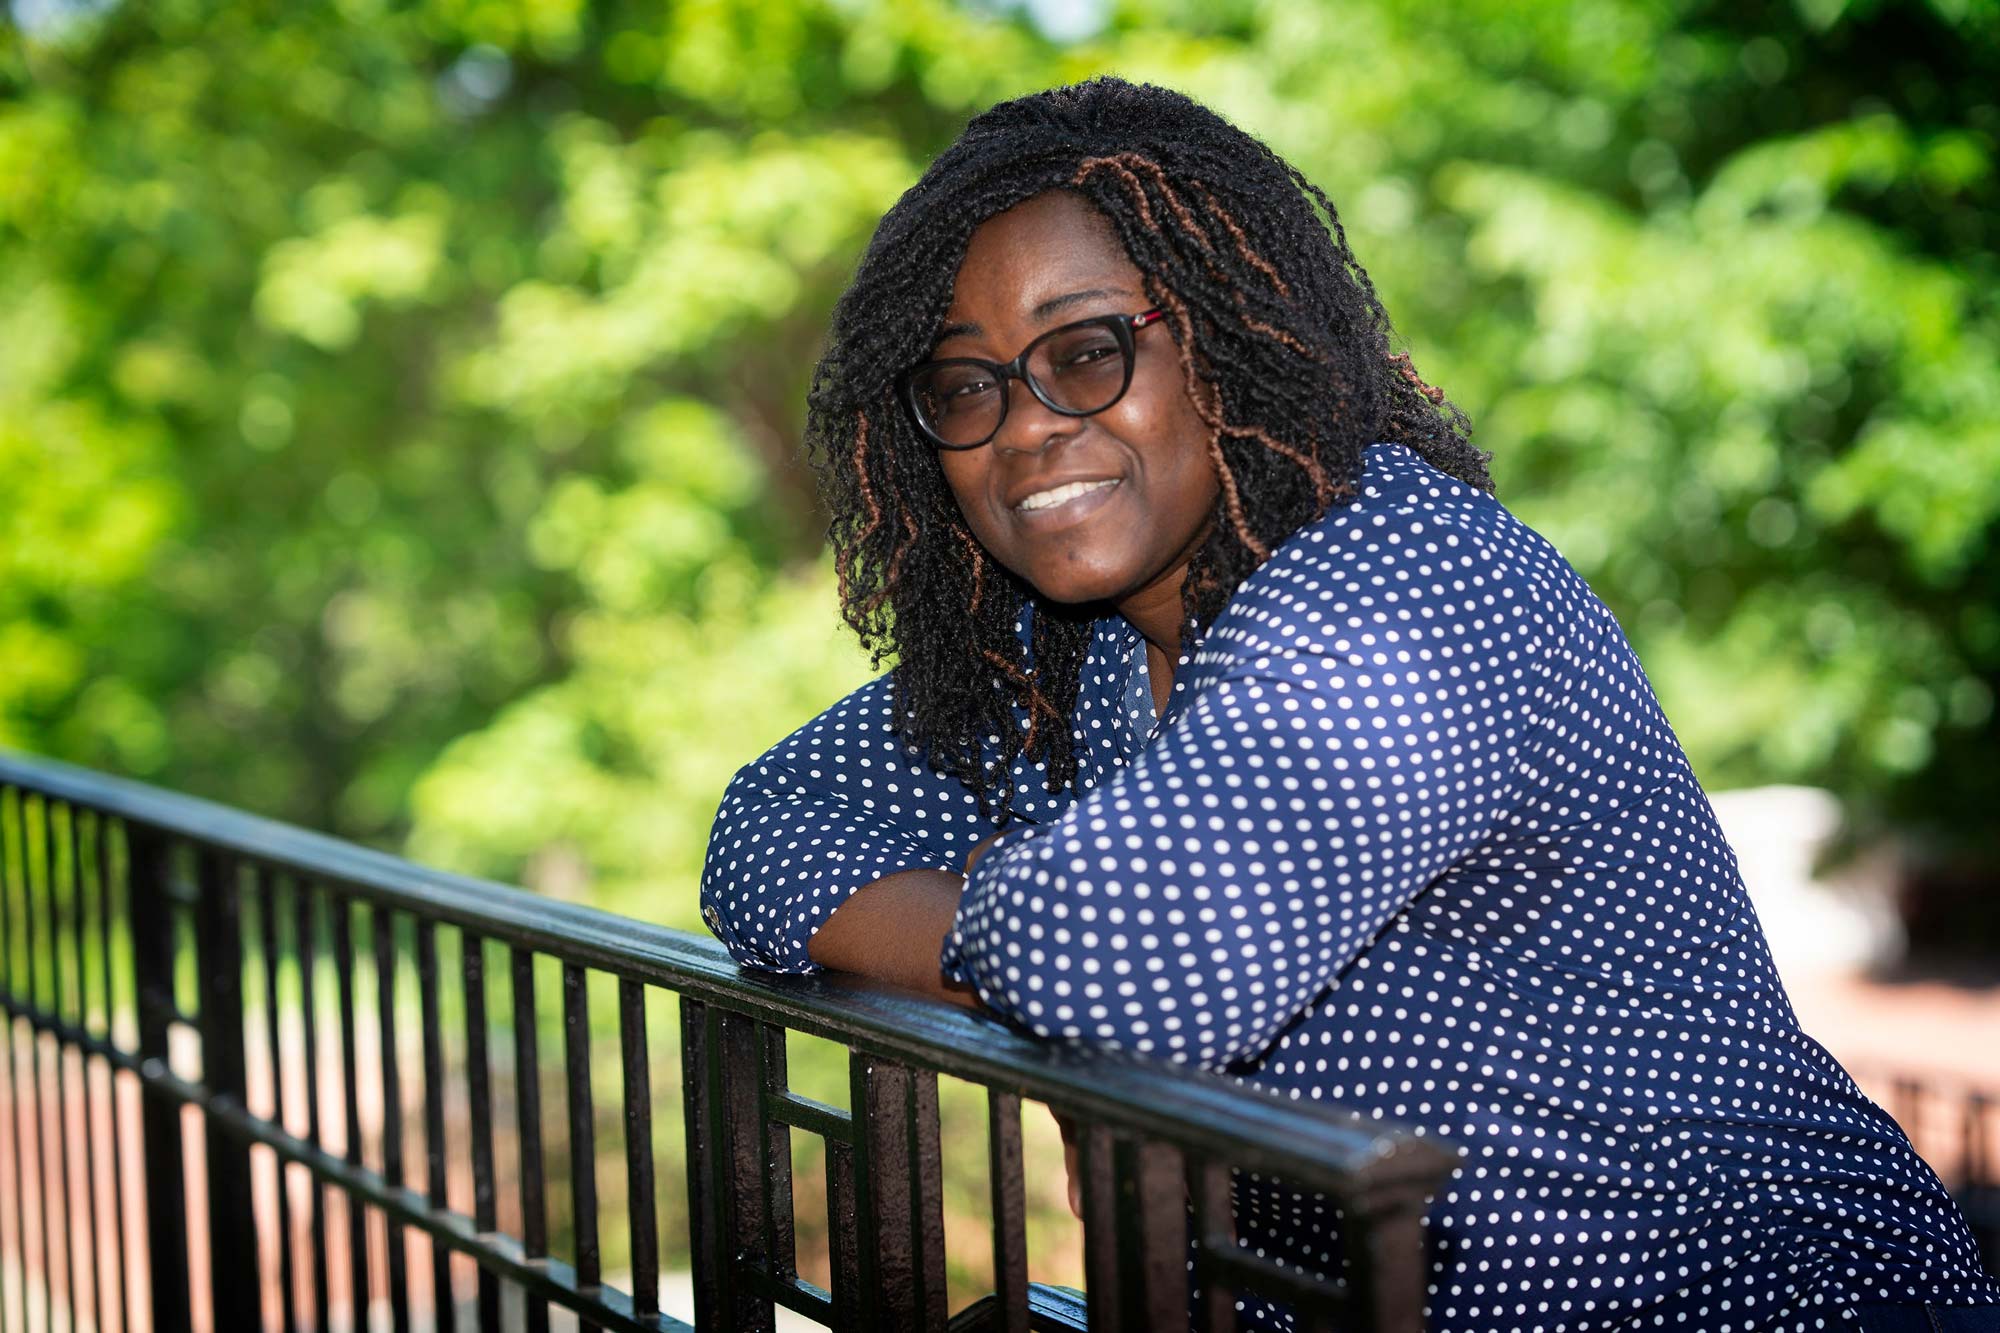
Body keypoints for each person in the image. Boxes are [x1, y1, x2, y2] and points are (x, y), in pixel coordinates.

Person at [699, 77, 2000, 1331]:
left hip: (1760, 1291)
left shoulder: (1402, 580)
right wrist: (1018, 933)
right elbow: (763, 833)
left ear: (1228, 327)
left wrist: (996, 918)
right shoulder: (1060, 657)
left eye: (1087, 352)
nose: (1025, 425)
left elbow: (1136, 966)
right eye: (966, 385)